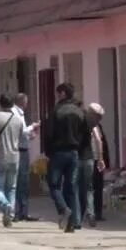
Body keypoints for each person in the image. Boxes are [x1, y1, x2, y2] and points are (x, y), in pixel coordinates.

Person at [44, 83, 88, 233]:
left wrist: (48, 152)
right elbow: (86, 134)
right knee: (71, 187)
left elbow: (49, 134)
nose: (57, 96)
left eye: (58, 93)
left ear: (62, 94)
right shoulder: (80, 111)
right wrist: (80, 151)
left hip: (58, 152)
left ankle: (63, 209)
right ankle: (74, 222)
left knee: (54, 185)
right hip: (74, 153)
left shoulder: (57, 110)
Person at [0, 94, 23, 227]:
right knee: (12, 188)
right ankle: (11, 213)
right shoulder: (18, 120)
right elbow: (20, 138)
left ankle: (5, 205)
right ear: (12, 104)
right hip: (14, 157)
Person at [11, 93, 40, 221]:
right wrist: (33, 127)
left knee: (24, 182)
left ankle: (23, 211)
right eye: (26, 102)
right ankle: (18, 211)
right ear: (22, 102)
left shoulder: (19, 113)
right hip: (19, 151)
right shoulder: (16, 114)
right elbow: (21, 131)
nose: (27, 105)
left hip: (22, 148)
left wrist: (30, 136)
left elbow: (23, 134)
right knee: (19, 181)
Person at [80, 103, 107, 227]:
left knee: (89, 187)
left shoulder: (86, 123)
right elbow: (99, 140)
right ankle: (95, 212)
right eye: (99, 116)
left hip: (89, 158)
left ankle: (90, 212)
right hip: (92, 158)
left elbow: (99, 141)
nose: (100, 119)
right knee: (93, 186)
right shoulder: (93, 125)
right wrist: (101, 158)